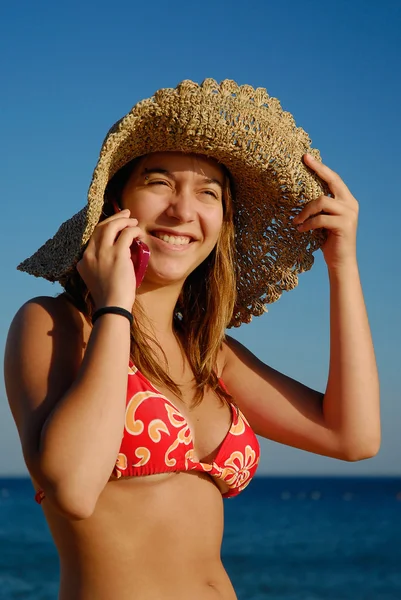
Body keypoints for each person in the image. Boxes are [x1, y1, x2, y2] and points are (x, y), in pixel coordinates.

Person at [4, 79, 380, 600]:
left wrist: (342, 264)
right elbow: (72, 487)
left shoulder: (210, 353)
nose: (183, 211)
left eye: (208, 193)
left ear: (222, 222)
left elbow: (353, 438)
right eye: (159, 183)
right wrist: (116, 302)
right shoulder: (56, 325)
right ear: (117, 203)